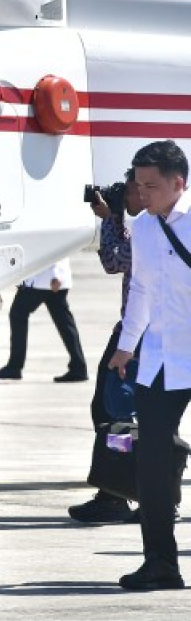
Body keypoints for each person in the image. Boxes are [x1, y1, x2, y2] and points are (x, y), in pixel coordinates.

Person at [109, 140, 191, 591]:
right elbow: (139, 288)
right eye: (138, 186)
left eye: (152, 186)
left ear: (179, 183)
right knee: (153, 464)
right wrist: (126, 346)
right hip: (160, 359)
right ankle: (161, 562)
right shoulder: (142, 226)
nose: (143, 195)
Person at [70, 171, 143, 523]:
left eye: (127, 190)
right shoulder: (151, 226)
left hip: (138, 335)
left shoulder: (152, 229)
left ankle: (118, 493)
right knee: (116, 411)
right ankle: (119, 490)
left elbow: (114, 260)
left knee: (117, 413)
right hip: (134, 332)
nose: (123, 196)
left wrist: (112, 218)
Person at [0, 258, 87, 382]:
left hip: (45, 280)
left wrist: (55, 275)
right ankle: (79, 367)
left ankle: (14, 366)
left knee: (18, 314)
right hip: (51, 280)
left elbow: (54, 246)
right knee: (64, 322)